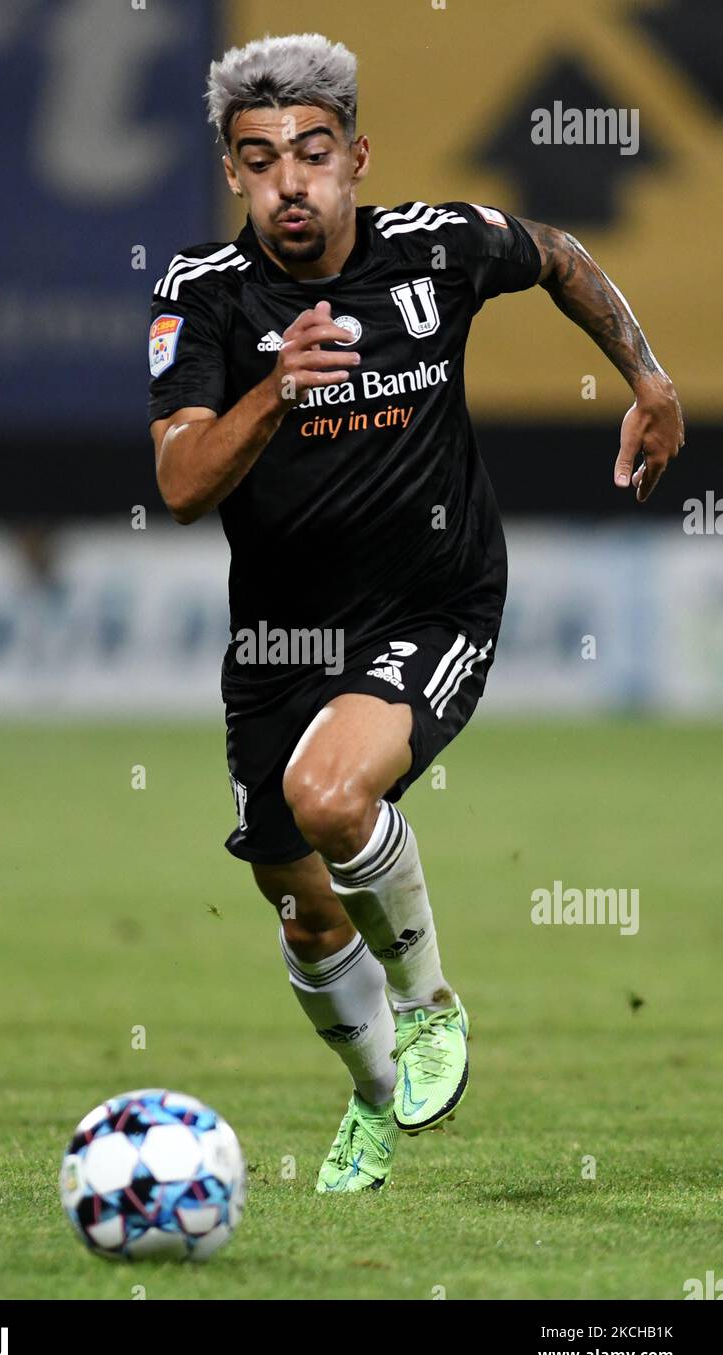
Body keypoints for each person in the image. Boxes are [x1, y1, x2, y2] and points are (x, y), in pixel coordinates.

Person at [147, 32, 684, 1193]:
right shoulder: (201, 298)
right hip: (280, 641)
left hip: (435, 603)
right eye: (259, 158)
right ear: (232, 174)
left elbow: (557, 254)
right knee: (297, 905)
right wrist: (273, 389)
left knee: (331, 795)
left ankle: (429, 1008)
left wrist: (646, 377)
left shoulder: (435, 247)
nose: (291, 181)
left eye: (313, 152)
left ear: (356, 156)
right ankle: (375, 1094)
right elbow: (182, 485)